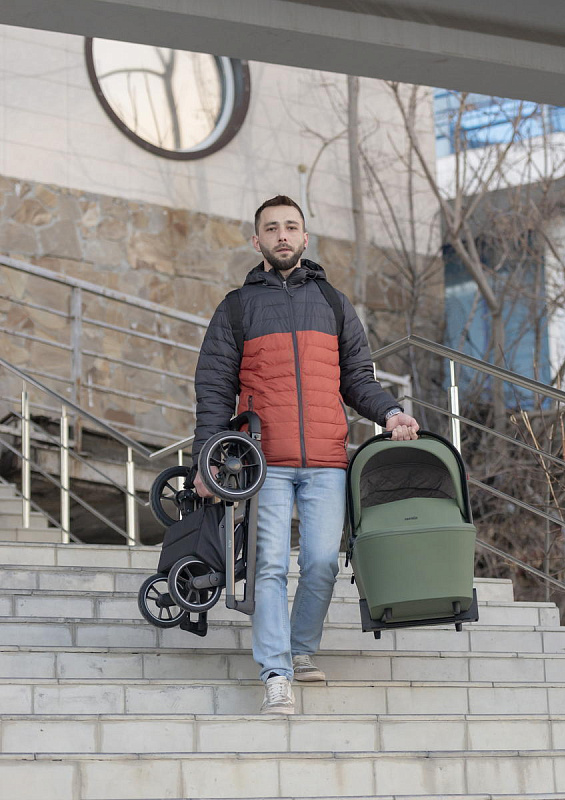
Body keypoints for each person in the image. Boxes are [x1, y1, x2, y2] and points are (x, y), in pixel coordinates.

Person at [192, 195, 419, 714]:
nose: (282, 236)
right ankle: (276, 673)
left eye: (291, 227)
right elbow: (214, 388)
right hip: (263, 463)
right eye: (272, 228)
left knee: (321, 563)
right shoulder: (236, 307)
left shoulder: (334, 303)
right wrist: (207, 458)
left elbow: (358, 379)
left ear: (305, 237)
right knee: (270, 565)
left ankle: (299, 649)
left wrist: (391, 413)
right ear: (257, 241)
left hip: (326, 459)